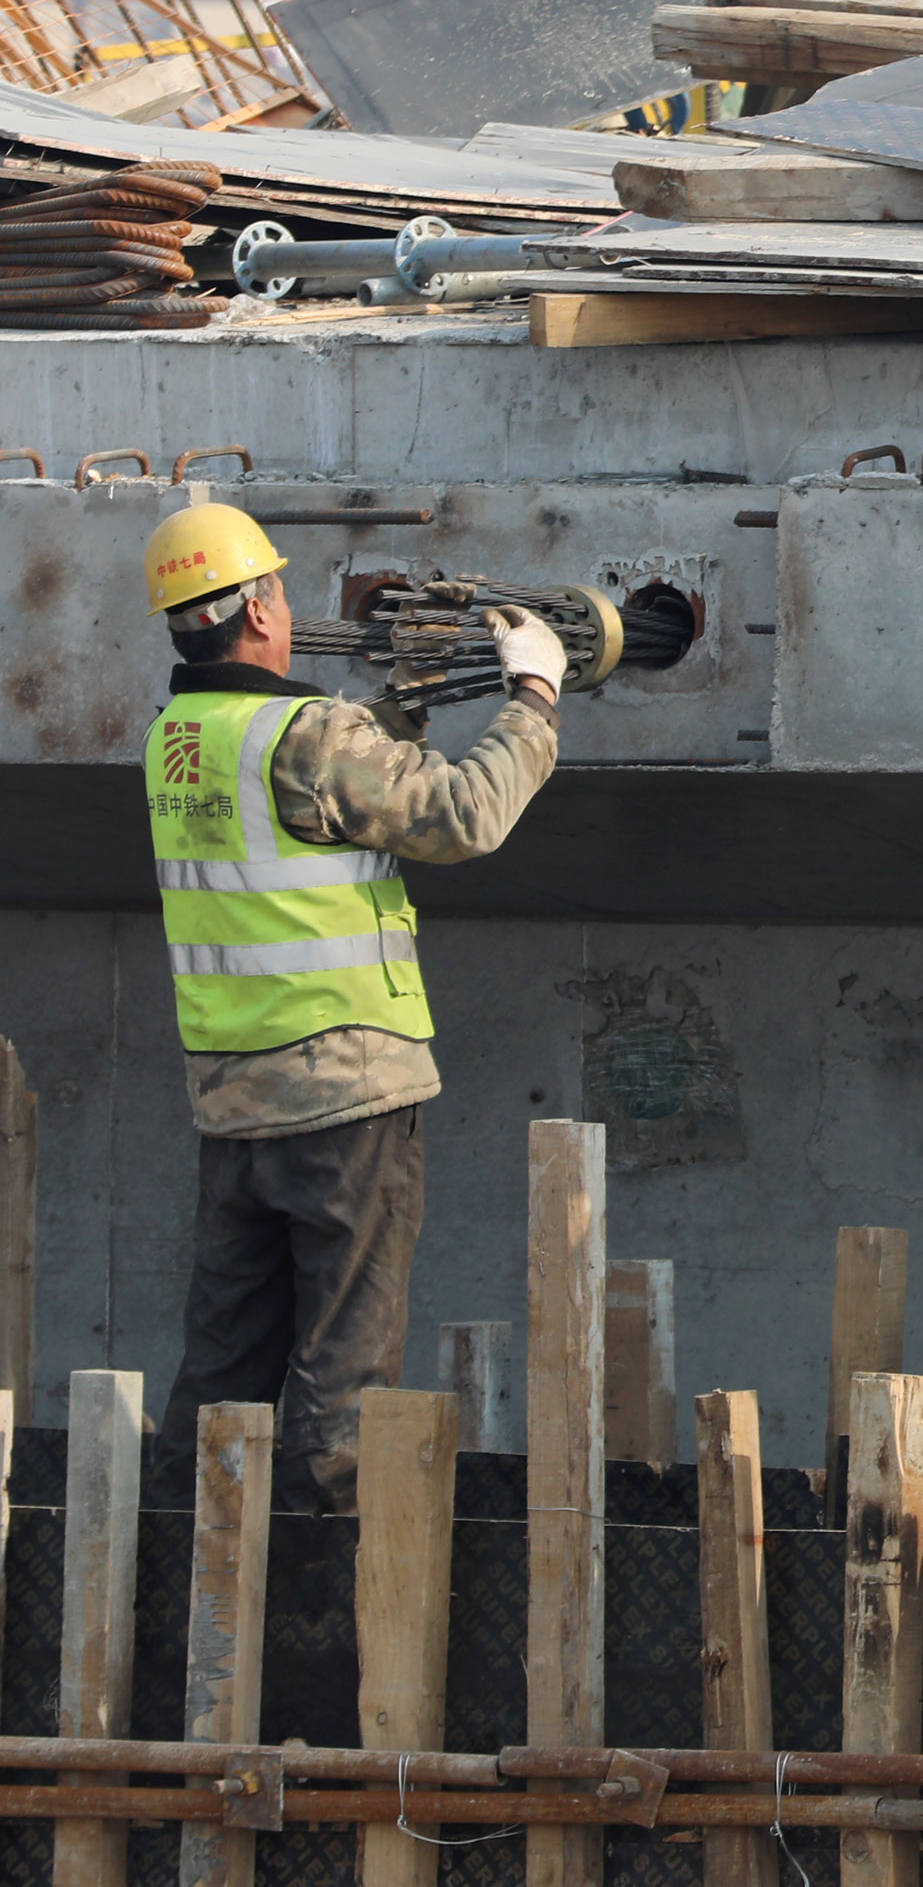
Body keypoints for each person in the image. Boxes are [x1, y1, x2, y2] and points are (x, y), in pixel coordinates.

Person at [139, 505, 568, 1513]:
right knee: (344, 1371)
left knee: (223, 1376)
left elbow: (319, 803)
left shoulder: (180, 740)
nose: (287, 608)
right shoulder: (308, 734)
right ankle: (321, 1621)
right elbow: (463, 815)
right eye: (278, 591)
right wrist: (535, 693)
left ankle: (178, 1597)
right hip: (347, 1102)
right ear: (255, 612)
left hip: (234, 1106)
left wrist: (399, 713)